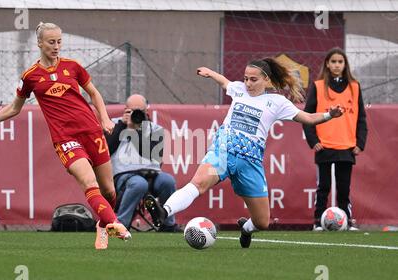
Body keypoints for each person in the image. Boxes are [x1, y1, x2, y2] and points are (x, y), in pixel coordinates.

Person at [0, 22, 131, 250]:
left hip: (91, 131)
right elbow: (14, 108)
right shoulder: (30, 76)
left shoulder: (73, 66)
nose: (56, 46)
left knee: (109, 190)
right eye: (51, 42)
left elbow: (94, 92)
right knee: (89, 182)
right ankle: (115, 223)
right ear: (40, 43)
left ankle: (102, 224)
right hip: (65, 139)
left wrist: (104, 119)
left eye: (59, 41)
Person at [144, 58, 344, 249]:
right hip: (223, 152)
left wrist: (329, 115)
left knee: (262, 222)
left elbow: (308, 118)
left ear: (266, 80)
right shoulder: (239, 90)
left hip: (250, 162)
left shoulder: (277, 102)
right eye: (246, 78)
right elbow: (225, 82)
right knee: (198, 184)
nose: (247, 83)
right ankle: (164, 211)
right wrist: (210, 73)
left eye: (253, 79)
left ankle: (246, 230)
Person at [303, 47, 368, 231]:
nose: (337, 65)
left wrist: (360, 143)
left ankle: (347, 220)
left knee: (344, 188)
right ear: (327, 64)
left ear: (345, 64)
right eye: (333, 61)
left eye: (340, 62)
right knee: (323, 186)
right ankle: (317, 221)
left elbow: (361, 117)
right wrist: (313, 140)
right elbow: (307, 116)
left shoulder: (354, 87)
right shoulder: (318, 86)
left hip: (347, 146)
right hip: (324, 145)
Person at [106, 94, 181, 232]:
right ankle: (121, 224)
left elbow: (151, 154)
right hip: (124, 177)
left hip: (152, 174)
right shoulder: (113, 124)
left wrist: (136, 130)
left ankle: (168, 224)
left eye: (139, 111)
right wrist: (123, 125)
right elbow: (107, 149)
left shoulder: (154, 129)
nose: (136, 114)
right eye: (132, 110)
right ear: (125, 110)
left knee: (168, 181)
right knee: (139, 184)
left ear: (146, 111)